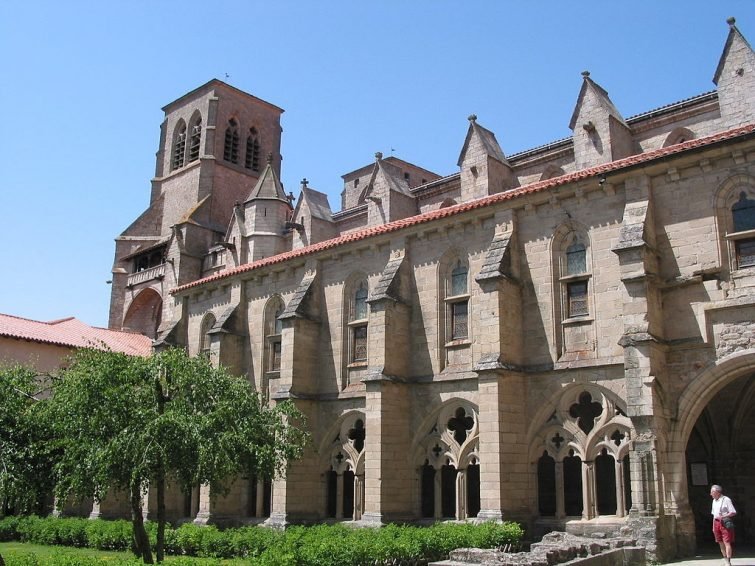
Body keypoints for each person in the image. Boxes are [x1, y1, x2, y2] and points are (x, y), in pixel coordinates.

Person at [711, 484, 736, 565]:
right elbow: (714, 514)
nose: (711, 494)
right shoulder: (714, 501)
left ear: (717, 492)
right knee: (720, 542)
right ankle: (725, 559)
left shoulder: (726, 500)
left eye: (712, 492)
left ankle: (728, 561)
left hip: (724, 522)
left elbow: (733, 512)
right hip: (716, 522)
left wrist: (723, 516)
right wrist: (713, 526)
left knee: (727, 542)